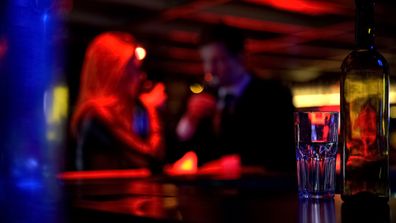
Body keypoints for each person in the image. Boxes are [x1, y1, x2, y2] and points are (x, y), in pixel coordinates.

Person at [175, 24, 295, 173]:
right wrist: (190, 118)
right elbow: (177, 148)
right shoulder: (205, 95)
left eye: (217, 60)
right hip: (209, 194)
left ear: (240, 57)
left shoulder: (274, 94)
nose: (209, 69)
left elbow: (282, 152)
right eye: (205, 61)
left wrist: (223, 165)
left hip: (261, 193)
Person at [70, 32, 166, 171]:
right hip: (103, 193)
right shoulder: (98, 114)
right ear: (116, 71)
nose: (140, 76)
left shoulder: (106, 113)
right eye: (134, 67)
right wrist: (152, 109)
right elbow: (152, 158)